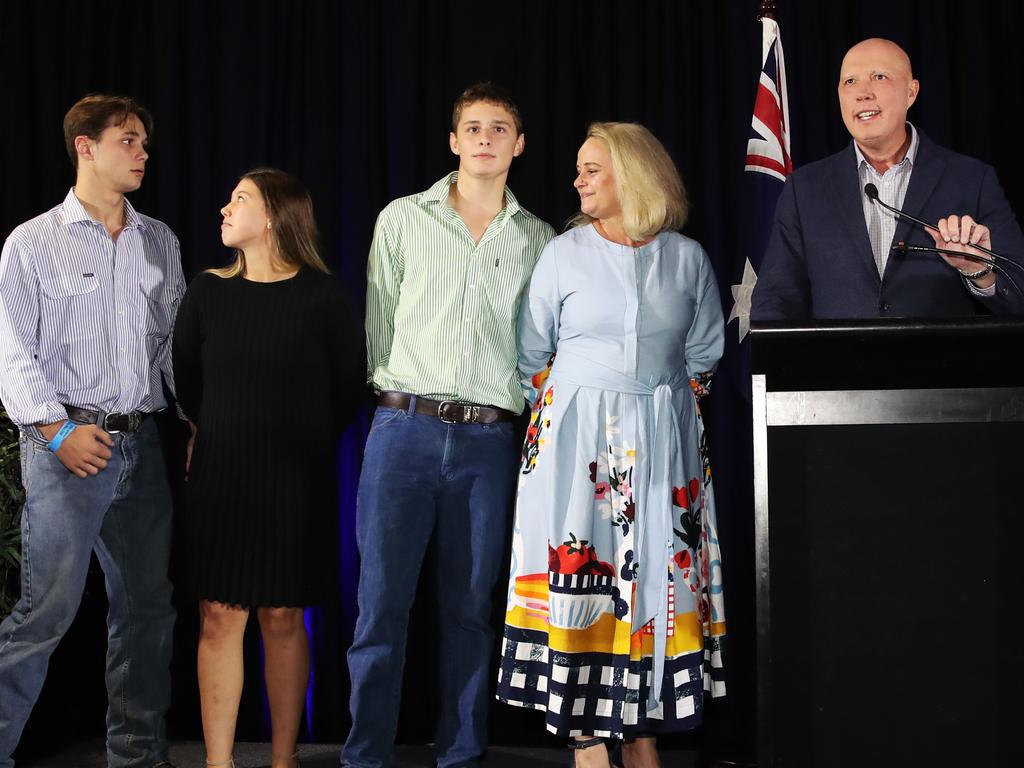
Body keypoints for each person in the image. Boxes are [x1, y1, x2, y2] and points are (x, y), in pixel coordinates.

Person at [496, 123, 727, 768]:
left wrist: (662, 415)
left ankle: (644, 736)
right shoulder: (564, 253)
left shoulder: (686, 258)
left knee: (654, 580)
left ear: (632, 173)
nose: (578, 180)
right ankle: (590, 746)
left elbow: (706, 351)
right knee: (584, 576)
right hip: (578, 454)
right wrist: (583, 415)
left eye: (592, 168)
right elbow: (531, 353)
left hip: (662, 444)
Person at [342, 82, 554, 768]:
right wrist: (395, 403)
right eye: (473, 126)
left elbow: (538, 345)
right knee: (380, 609)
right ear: (454, 141)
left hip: (490, 442)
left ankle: (461, 754)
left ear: (518, 145)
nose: (486, 137)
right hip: (403, 430)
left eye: (500, 127)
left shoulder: (539, 240)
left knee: (469, 610)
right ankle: (363, 756)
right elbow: (379, 323)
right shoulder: (402, 219)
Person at [0, 94, 181, 768]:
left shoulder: (159, 240)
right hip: (67, 447)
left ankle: (137, 757)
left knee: (146, 613)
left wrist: (190, 425)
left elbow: (169, 349)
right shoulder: (33, 242)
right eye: (128, 140)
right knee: (43, 615)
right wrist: (54, 432)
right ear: (85, 146)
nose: (142, 153)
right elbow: (10, 351)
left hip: (142, 445)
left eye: (143, 143)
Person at [171, 168, 363, 768]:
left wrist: (296, 444)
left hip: (294, 482)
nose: (224, 209)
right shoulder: (207, 292)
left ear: (276, 216)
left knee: (283, 615)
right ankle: (219, 762)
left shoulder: (323, 297)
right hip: (221, 478)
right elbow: (188, 383)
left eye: (240, 199)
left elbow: (347, 389)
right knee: (218, 615)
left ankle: (284, 760)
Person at [751, 37, 1024, 320]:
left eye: (879, 77)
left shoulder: (972, 180)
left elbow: (1019, 296)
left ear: (911, 92)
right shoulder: (804, 189)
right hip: (836, 364)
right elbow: (775, 299)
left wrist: (977, 270)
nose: (862, 93)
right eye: (850, 82)